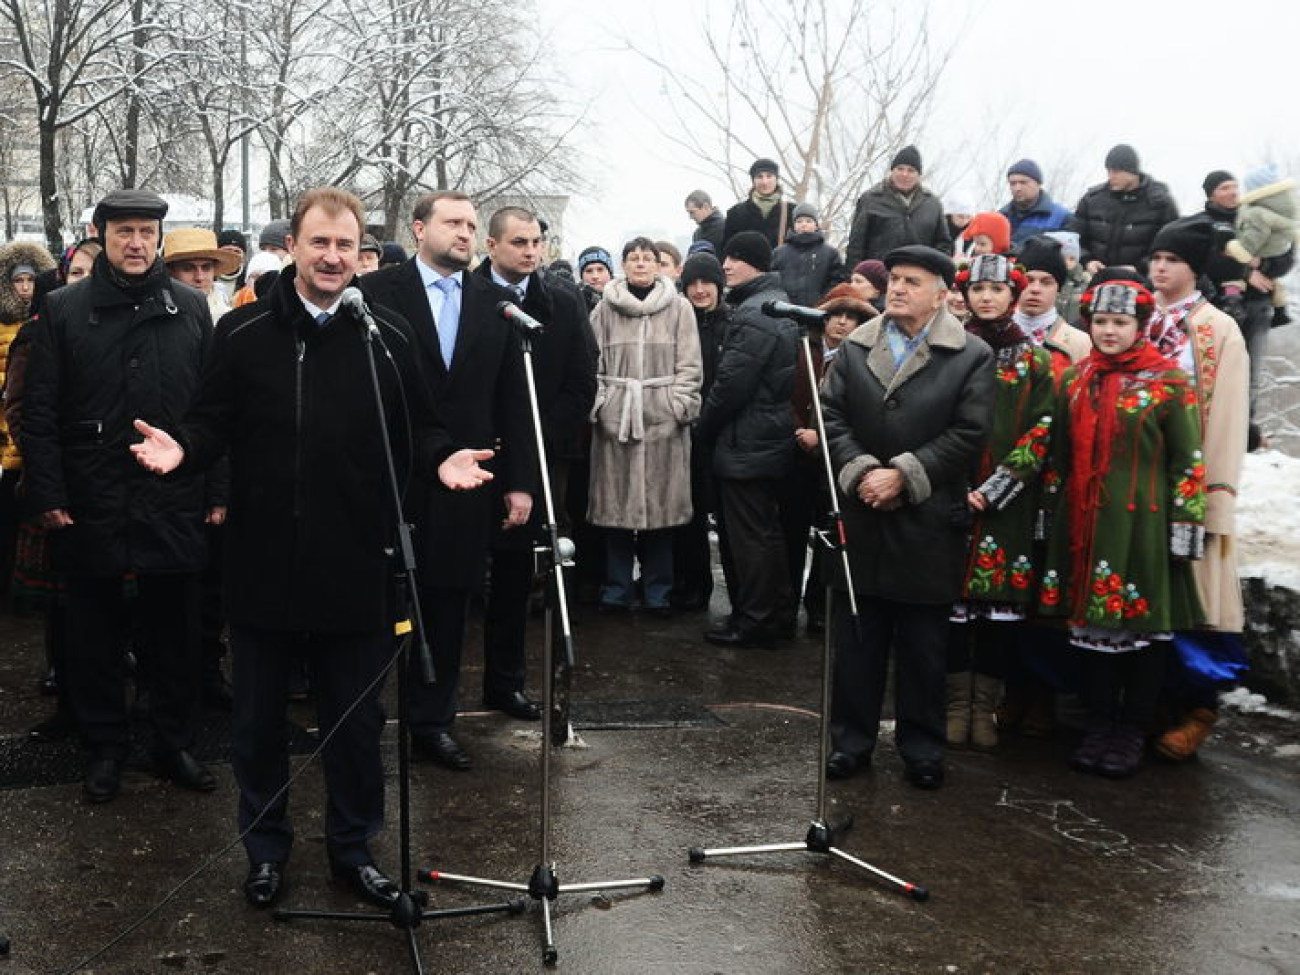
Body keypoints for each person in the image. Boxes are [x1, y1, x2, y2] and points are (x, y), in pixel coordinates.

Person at [129, 185, 495, 910]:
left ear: (362, 255)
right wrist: (186, 449)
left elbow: (421, 430)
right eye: (318, 242)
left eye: (345, 245)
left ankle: (353, 850)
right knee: (258, 724)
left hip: (358, 565)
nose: (332, 257)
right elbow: (211, 425)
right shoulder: (243, 335)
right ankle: (265, 851)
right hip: (262, 565)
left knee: (356, 725)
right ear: (292, 247)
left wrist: (443, 456)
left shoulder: (385, 337)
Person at [22, 189, 219, 804]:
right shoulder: (62, 308)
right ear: (99, 236)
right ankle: (104, 745)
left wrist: (217, 487)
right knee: (94, 632)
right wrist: (49, 491)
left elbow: (214, 411)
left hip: (173, 495)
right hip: (92, 495)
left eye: (145, 232)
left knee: (175, 632)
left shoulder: (190, 308)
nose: (136, 243)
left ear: (159, 237)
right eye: (123, 232)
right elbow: (40, 412)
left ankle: (172, 742)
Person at [362, 190, 534, 772]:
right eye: (453, 223)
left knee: (447, 604)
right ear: (418, 230)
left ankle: (432, 721)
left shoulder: (496, 303)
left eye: (471, 225)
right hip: (387, 474)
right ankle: (358, 719)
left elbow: (513, 400)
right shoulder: (376, 294)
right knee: (372, 605)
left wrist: (519, 482)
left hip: (465, 481)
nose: (465, 233)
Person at [820, 245, 994, 788]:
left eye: (911, 281)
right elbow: (829, 416)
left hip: (926, 520)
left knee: (923, 646)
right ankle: (852, 741)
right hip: (864, 513)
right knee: (857, 639)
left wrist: (905, 475)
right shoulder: (855, 348)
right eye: (893, 279)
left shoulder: (970, 355)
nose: (896, 289)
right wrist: (864, 471)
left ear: (942, 293)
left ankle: (922, 746)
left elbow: (969, 433)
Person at [1036, 271, 1205, 779]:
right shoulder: (1076, 378)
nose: (1109, 331)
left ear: (1140, 325)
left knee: (1143, 631)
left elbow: (1188, 462)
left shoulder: (1169, 383)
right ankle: (1099, 725)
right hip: (1087, 524)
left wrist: (1184, 530)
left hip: (1144, 526)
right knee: (1093, 634)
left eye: (1121, 322)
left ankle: (1131, 728)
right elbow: (1059, 455)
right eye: (1101, 321)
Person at [476, 206, 597, 720]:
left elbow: (581, 382)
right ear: (492, 245)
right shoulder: (467, 295)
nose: (530, 251)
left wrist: (534, 438)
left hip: (537, 453)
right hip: (472, 452)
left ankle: (506, 683)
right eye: (519, 241)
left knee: (512, 574)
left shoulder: (563, 303)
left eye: (536, 242)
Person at [1145, 216, 1249, 761]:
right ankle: (1146, 705)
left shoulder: (1217, 330)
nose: (1161, 268)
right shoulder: (1138, 319)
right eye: (1156, 259)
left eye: (1173, 261)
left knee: (1195, 600)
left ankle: (1196, 708)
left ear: (1194, 270)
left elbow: (1229, 413)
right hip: (1138, 483)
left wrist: (1216, 496)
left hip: (1189, 484)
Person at [944, 254, 1054, 751]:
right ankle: (952, 705)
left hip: (1005, 507)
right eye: (977, 289)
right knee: (949, 611)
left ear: (1013, 294)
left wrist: (997, 488)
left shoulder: (1035, 359)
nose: (986, 298)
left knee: (995, 618)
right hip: (947, 494)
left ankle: (984, 708)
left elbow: (1043, 428)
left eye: (997, 289)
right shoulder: (946, 349)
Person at [587, 237, 701, 613]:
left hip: (663, 419)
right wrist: (603, 405)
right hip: (616, 421)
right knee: (614, 515)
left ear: (657, 265)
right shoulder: (603, 309)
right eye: (633, 258)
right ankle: (616, 590)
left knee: (662, 516)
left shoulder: (680, 308)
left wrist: (678, 405)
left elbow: (690, 365)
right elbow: (592, 363)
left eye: (647, 259)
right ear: (623, 265)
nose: (640, 264)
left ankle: (658, 593)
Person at [696, 231, 798, 648]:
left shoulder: (755, 314)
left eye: (735, 258)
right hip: (763, 437)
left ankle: (755, 620)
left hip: (746, 442)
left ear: (755, 262)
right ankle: (775, 614)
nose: (726, 265)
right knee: (765, 534)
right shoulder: (772, 305)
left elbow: (731, 386)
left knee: (749, 538)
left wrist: (704, 429)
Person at [672, 251, 731, 612]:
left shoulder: (731, 323)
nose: (699, 290)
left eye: (706, 282)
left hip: (720, 429)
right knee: (687, 513)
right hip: (687, 427)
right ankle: (692, 584)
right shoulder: (680, 321)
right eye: (692, 283)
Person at [1226, 165, 1297, 417]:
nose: (1232, 193)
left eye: (1235, 187)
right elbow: (1213, 261)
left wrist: (1262, 265)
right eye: (1225, 188)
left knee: (1252, 371)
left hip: (1260, 303)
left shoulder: (1259, 216)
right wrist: (1247, 272)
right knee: (1225, 370)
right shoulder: (1221, 220)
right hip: (1225, 303)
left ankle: (1245, 429)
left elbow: (1286, 261)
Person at [1069, 144, 1178, 273]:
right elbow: (1074, 238)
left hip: (1143, 281)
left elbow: (1171, 246)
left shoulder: (1160, 204)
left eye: (1116, 171)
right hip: (1096, 278)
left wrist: (1140, 268)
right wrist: (1087, 261)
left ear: (1132, 172)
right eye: (1109, 171)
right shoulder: (1092, 200)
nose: (1111, 176)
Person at [845, 146, 950, 265]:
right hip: (879, 275)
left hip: (917, 275)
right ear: (892, 170)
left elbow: (943, 245)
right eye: (900, 169)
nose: (905, 174)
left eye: (911, 170)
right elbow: (856, 245)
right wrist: (852, 277)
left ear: (918, 175)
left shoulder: (932, 204)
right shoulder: (871, 199)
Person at [771, 202, 848, 307]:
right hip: (784, 308)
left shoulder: (830, 253)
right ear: (793, 225)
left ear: (816, 225)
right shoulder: (779, 253)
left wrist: (824, 300)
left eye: (808, 221)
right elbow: (772, 279)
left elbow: (837, 281)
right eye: (799, 221)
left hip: (819, 309)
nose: (804, 224)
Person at [163, 227, 242, 321]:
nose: (199, 277)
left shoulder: (229, 319)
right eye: (188, 269)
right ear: (169, 272)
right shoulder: (155, 316)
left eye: (206, 268)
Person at [722, 158, 796, 249]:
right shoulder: (736, 213)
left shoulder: (792, 212)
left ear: (776, 179)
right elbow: (727, 251)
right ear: (753, 181)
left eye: (769, 176)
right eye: (759, 177)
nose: (764, 182)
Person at [999, 158, 1073, 249]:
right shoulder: (1001, 217)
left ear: (1038, 184)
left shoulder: (1062, 217)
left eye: (1023, 182)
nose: (1017, 188)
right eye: (1013, 183)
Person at [1043, 230, 1087, 323]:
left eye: (1072, 258)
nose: (1068, 262)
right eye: (1062, 257)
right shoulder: (1043, 280)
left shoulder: (1085, 282)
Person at [576, 246, 614, 312]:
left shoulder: (625, 300)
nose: (595, 276)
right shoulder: (573, 304)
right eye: (589, 271)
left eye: (600, 270)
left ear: (610, 273)